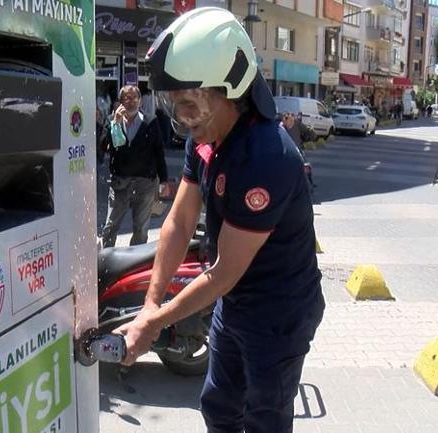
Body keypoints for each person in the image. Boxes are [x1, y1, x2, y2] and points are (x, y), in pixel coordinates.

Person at [114, 8, 324, 433]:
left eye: (189, 103)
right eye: (175, 104)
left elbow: (225, 271)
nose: (181, 117)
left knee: (265, 418)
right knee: (220, 408)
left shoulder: (266, 157)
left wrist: (153, 323)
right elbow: (179, 219)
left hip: (278, 312)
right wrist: (151, 303)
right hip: (234, 302)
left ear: (228, 91)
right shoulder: (206, 133)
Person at [99, 84, 169, 248]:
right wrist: (114, 123)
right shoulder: (112, 120)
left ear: (140, 101)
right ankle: (106, 263)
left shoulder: (151, 121)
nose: (130, 102)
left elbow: (159, 151)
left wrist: (164, 180)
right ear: (120, 101)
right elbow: (103, 146)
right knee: (111, 227)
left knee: (141, 229)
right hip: (120, 183)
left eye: (134, 98)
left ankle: (134, 264)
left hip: (145, 183)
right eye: (126, 98)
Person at [281, 112, 317, 188]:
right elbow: (310, 133)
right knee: (306, 166)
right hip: (296, 149)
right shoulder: (296, 123)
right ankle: (310, 183)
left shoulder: (278, 125)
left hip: (283, 150)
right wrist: (310, 135)